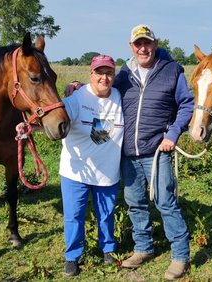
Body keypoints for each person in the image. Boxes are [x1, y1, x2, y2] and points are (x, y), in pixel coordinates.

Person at [114, 24, 194, 280]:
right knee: (135, 203)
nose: (143, 48)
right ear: (131, 47)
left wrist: (172, 135)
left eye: (147, 43)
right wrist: (77, 89)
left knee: (165, 202)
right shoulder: (124, 75)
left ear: (155, 44)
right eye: (138, 44)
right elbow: (104, 96)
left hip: (157, 151)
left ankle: (180, 255)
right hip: (128, 153)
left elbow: (187, 104)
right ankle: (143, 248)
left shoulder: (172, 71)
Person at [59, 54, 124, 276]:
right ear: (91, 74)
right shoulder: (77, 98)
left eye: (109, 73)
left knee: (106, 213)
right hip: (76, 169)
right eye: (99, 73)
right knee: (74, 215)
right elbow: (55, 117)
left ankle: (108, 249)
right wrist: (29, 126)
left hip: (107, 170)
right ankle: (72, 256)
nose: (104, 78)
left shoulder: (119, 96)